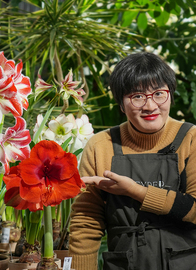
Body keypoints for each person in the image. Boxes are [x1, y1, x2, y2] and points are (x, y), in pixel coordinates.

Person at [68, 52, 196, 270]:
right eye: (137, 96)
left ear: (170, 95)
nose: (150, 106)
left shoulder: (190, 138)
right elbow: (86, 222)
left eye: (158, 94)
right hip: (125, 264)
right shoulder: (101, 145)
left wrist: (136, 191)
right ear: (120, 104)